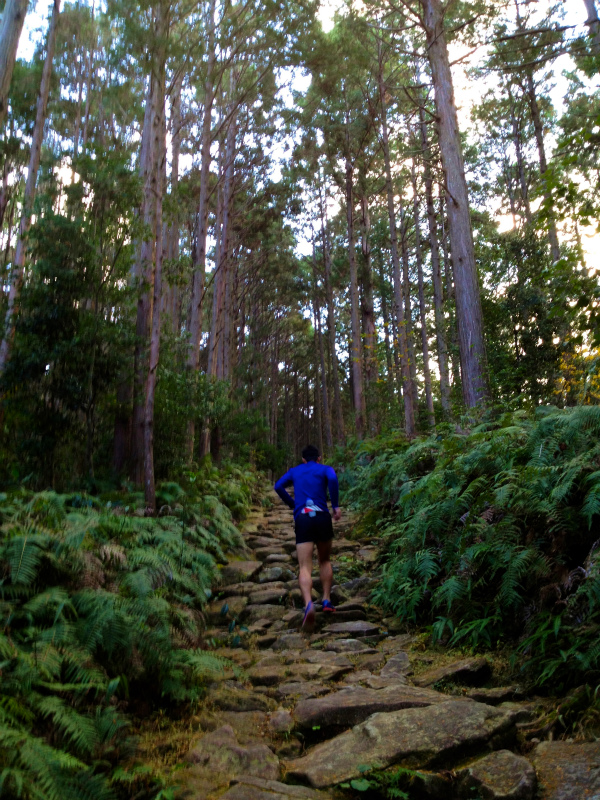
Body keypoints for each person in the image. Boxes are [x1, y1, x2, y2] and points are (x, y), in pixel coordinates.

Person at [274, 444, 341, 631]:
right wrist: (335, 506)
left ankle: (309, 604)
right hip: (322, 517)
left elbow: (278, 486)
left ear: (303, 459)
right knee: (325, 560)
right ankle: (326, 600)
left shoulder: (295, 471)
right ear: (319, 458)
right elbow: (333, 479)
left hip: (303, 517)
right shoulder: (325, 469)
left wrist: (292, 504)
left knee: (304, 566)